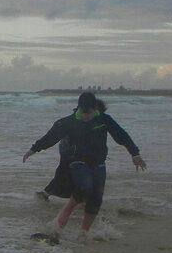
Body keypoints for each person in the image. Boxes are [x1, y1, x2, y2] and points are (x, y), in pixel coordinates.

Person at [22, 92, 146, 234]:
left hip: (98, 163)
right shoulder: (68, 122)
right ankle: (62, 217)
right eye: (83, 113)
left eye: (90, 113)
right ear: (78, 108)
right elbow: (50, 137)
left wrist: (134, 153)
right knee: (84, 186)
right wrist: (33, 149)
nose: (86, 117)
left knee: (96, 198)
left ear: (95, 109)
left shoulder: (104, 120)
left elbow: (121, 136)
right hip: (76, 161)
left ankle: (83, 233)